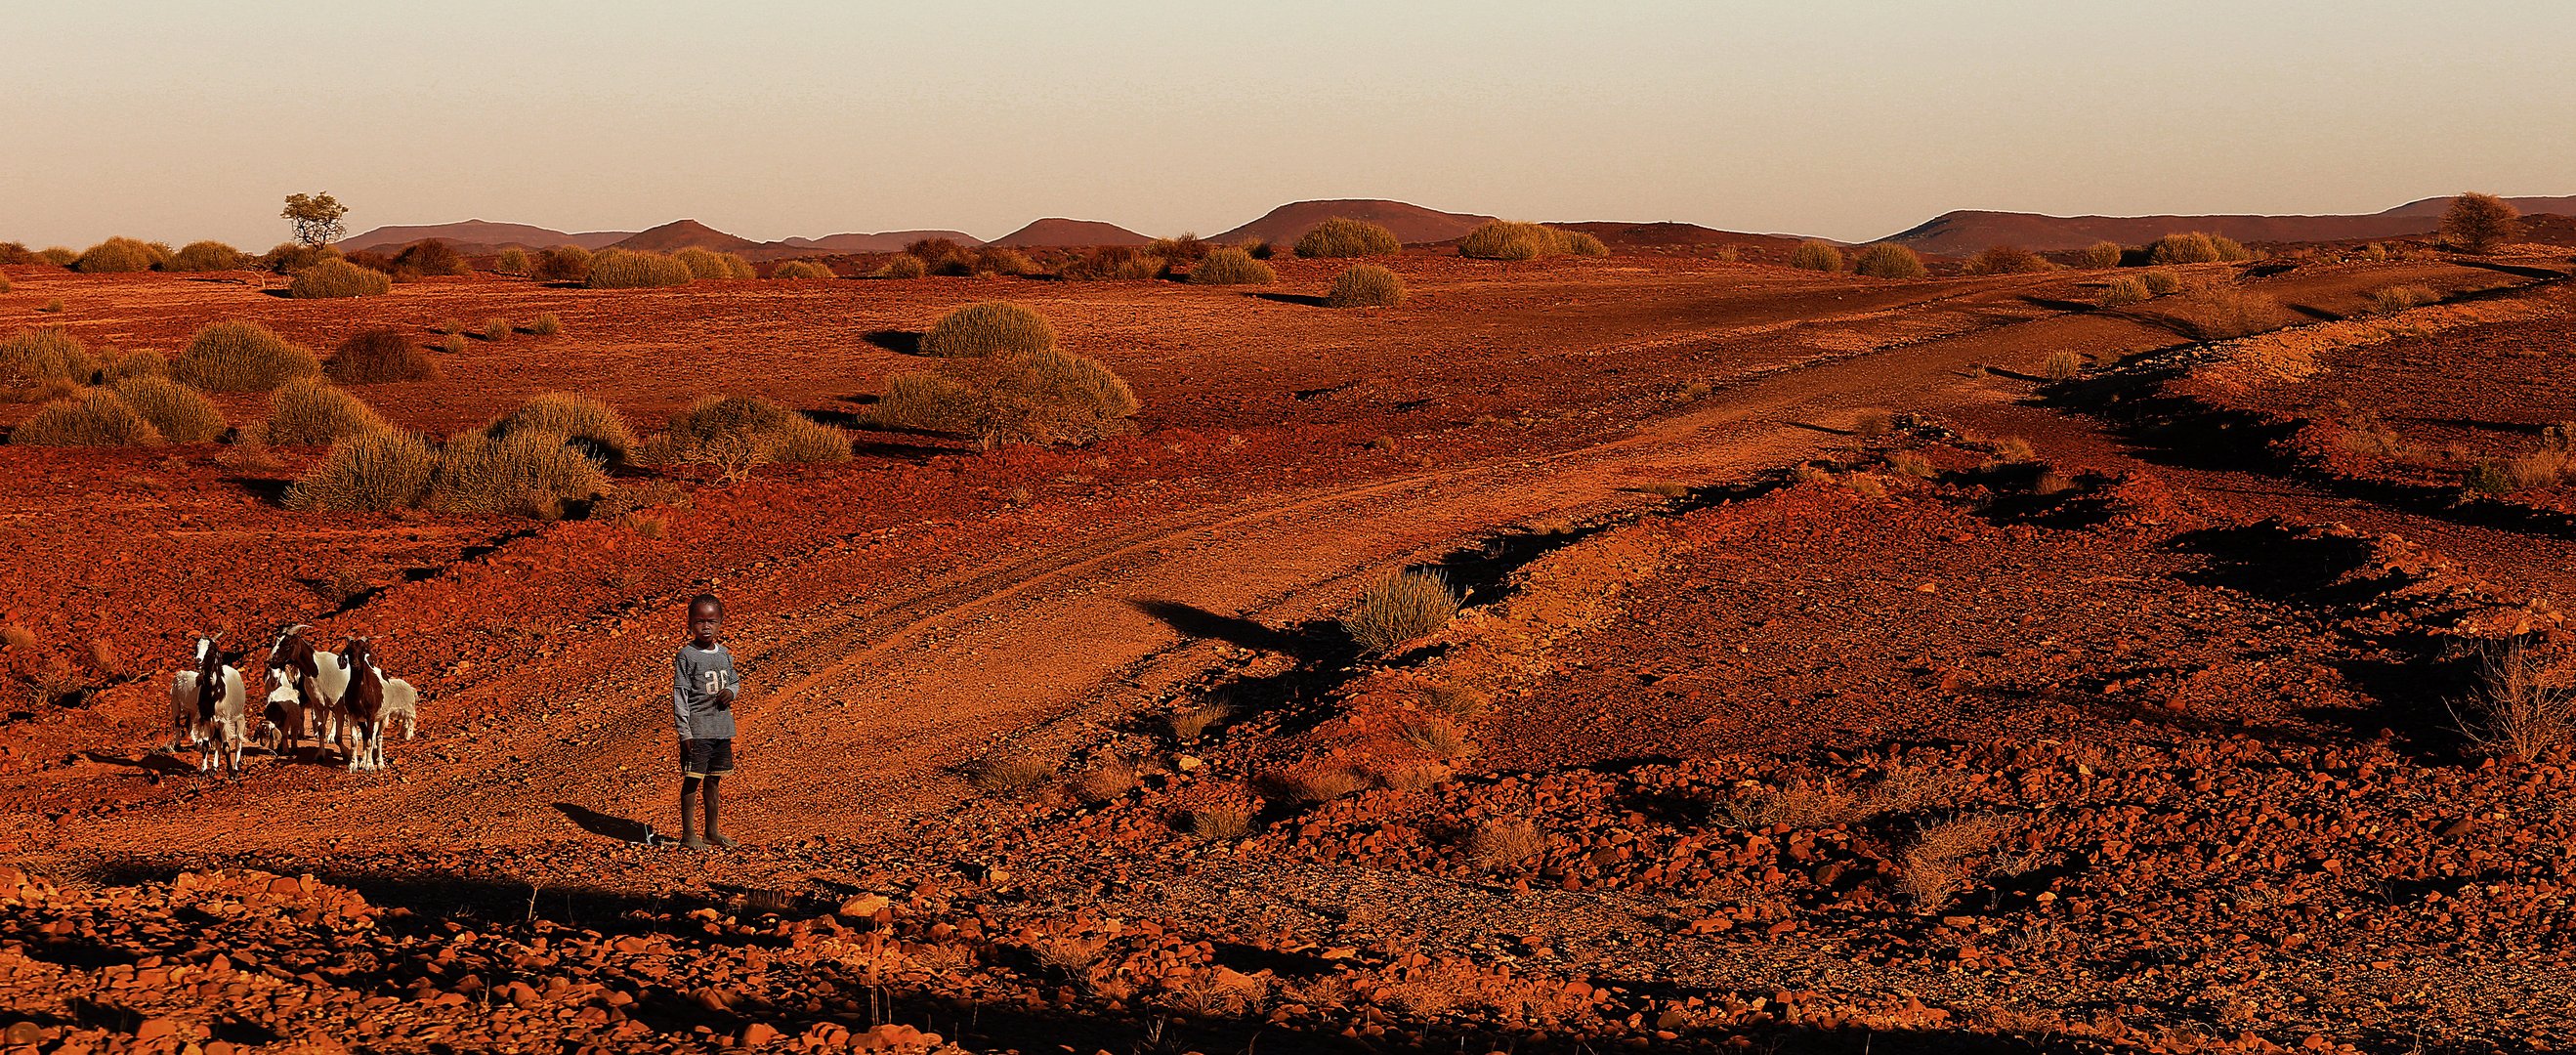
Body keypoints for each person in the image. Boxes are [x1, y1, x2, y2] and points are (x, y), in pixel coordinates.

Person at [671, 592, 739, 849]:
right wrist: (684, 732)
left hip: (721, 729)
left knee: (714, 779)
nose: (706, 627)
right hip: (697, 729)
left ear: (721, 622)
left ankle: (712, 832)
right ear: (690, 623)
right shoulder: (686, 655)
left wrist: (731, 692)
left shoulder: (724, 654)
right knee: (693, 778)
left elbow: (734, 680)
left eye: (711, 621)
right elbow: (680, 694)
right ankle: (689, 834)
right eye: (700, 622)